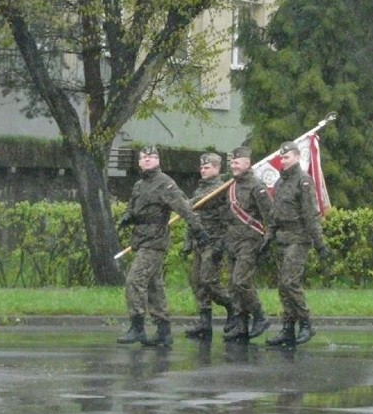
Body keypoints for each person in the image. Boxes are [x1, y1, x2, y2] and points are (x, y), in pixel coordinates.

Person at [117, 145, 210, 347]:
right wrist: (127, 216)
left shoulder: (165, 184)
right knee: (154, 286)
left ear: (158, 161)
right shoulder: (139, 185)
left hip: (155, 241)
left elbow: (184, 208)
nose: (147, 160)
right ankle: (164, 331)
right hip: (140, 239)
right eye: (144, 157)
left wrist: (198, 230)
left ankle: (137, 327)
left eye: (152, 157)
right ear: (139, 162)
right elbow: (133, 207)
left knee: (134, 280)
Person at [262, 141, 330, 346]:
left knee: (289, 282)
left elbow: (311, 215)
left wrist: (319, 243)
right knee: (282, 287)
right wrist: (268, 236)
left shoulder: (304, 181)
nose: (283, 161)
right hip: (282, 239)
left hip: (299, 238)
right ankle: (288, 327)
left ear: (298, 157)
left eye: (287, 157)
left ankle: (307, 323)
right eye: (282, 158)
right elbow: (275, 214)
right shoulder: (281, 183)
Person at [223, 146, 273, 342]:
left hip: (249, 241)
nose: (233, 165)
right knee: (233, 286)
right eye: (232, 162)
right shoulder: (231, 186)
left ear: (247, 163)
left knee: (241, 281)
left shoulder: (256, 186)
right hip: (232, 241)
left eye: (237, 162)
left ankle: (260, 316)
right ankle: (242, 325)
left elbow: (270, 214)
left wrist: (269, 237)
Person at [183, 153, 234, 340]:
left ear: (217, 168)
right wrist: (188, 243)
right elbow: (192, 218)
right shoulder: (200, 190)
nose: (203, 170)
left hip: (214, 242)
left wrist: (222, 244)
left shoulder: (222, 190)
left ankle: (232, 306)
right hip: (199, 242)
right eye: (202, 167)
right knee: (197, 281)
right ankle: (205, 322)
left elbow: (228, 219)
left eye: (207, 167)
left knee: (208, 280)